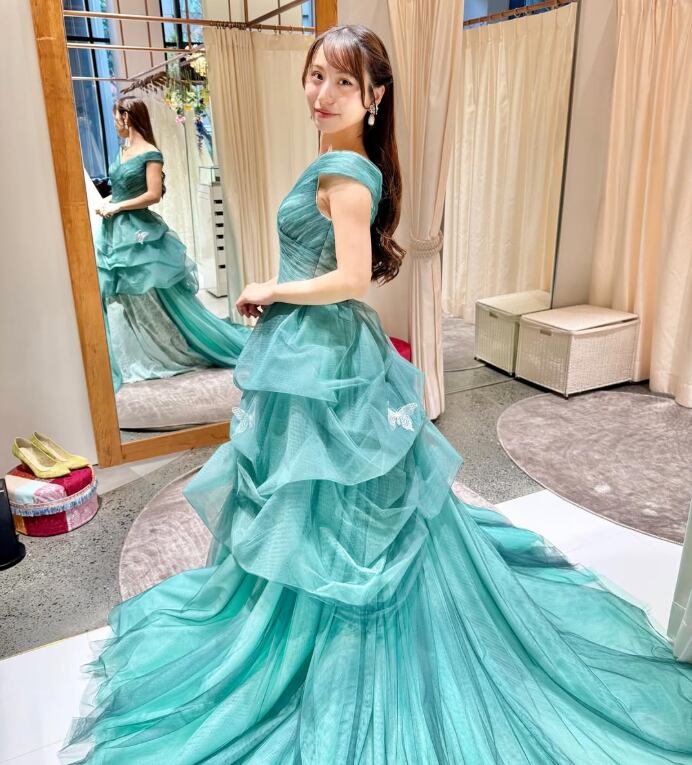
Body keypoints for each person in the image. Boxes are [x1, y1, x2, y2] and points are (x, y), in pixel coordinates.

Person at [60, 25, 692, 764]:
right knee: (312, 495)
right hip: (315, 347)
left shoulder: (347, 175)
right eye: (316, 77)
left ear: (375, 96)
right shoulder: (343, 162)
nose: (322, 94)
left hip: (327, 354)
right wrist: (284, 293)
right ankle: (303, 613)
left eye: (343, 83)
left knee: (331, 498)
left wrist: (273, 288)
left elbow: (353, 278)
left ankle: (330, 630)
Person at [95, 96, 250, 392]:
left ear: (128, 117)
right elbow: (121, 188)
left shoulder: (151, 153)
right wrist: (109, 202)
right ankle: (134, 350)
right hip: (115, 229)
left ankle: (164, 346)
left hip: (138, 229)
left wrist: (118, 206)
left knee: (155, 293)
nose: (115, 124)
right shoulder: (122, 150)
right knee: (122, 294)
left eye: (116, 118)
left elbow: (153, 194)